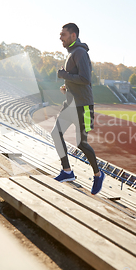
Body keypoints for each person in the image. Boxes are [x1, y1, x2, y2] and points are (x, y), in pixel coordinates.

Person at [51, 23, 105, 195]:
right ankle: (67, 171)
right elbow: (76, 80)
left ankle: (98, 174)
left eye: (64, 34)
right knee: (55, 133)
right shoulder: (72, 53)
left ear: (73, 36)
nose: (61, 37)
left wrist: (64, 75)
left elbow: (85, 79)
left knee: (82, 143)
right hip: (70, 104)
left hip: (84, 106)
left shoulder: (80, 52)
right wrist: (66, 86)